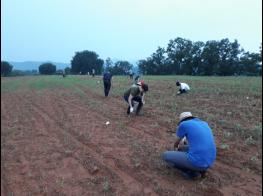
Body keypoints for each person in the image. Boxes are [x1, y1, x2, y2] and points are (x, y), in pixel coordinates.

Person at [163, 112, 216, 179]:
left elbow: (177, 142)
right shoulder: (204, 123)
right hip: (210, 161)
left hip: (198, 162)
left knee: (166, 155)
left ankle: (193, 173)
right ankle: (202, 170)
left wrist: (175, 148)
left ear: (182, 120)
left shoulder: (184, 124)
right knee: (181, 148)